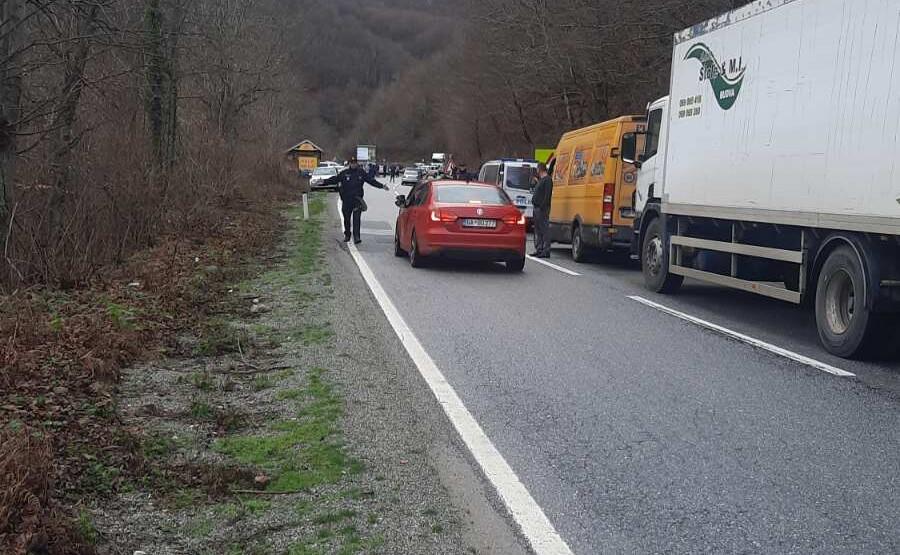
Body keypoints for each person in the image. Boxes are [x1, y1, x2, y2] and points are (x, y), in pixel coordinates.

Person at [322, 156, 388, 244]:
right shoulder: (344, 173)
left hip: (357, 200)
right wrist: (323, 182)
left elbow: (371, 181)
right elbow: (335, 179)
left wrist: (382, 186)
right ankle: (347, 235)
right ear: (349, 164)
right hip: (346, 200)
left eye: (355, 163)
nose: (353, 164)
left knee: (356, 219)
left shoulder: (361, 173)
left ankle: (357, 237)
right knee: (347, 219)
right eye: (352, 163)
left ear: (357, 163)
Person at [530, 162, 553, 258]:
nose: (536, 170)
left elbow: (547, 195)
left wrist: (542, 206)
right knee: (538, 229)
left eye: (537, 169)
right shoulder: (541, 180)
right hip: (536, 208)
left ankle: (546, 250)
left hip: (542, 208)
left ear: (540, 169)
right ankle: (539, 249)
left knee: (544, 229)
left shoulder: (547, 180)